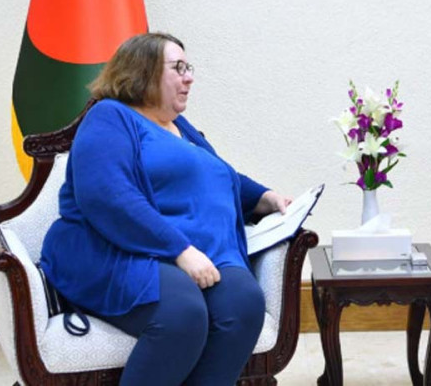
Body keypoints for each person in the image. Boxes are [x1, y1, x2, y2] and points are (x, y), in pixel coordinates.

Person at [40, 32, 292, 385]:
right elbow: (107, 196)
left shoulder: (181, 127)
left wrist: (266, 198)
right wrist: (180, 250)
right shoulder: (110, 116)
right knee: (182, 313)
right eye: (178, 67)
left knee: (243, 303)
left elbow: (218, 175)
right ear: (141, 71)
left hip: (202, 251)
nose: (189, 77)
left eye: (189, 67)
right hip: (120, 249)